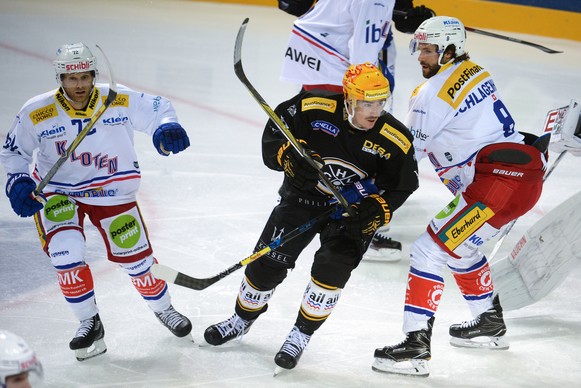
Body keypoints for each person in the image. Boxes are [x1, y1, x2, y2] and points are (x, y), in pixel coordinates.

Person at [203, 63, 419, 373]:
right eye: (366, 103)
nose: (374, 111)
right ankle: (240, 320)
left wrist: (378, 209)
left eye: (380, 102)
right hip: (301, 201)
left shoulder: (393, 137)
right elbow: (275, 135)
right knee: (266, 265)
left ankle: (300, 335)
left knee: (330, 273)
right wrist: (288, 157)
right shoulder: (312, 108)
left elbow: (403, 185)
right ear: (348, 99)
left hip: (349, 216)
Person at [371, 16, 548, 377]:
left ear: (449, 50)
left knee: (428, 249)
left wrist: (367, 185)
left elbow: (407, 155)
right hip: (523, 180)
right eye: (419, 47)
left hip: (495, 187)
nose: (420, 55)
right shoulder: (475, 70)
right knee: (462, 248)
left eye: (428, 49)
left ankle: (414, 346)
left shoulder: (429, 95)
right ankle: (488, 322)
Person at [0, 43, 192, 361]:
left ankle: (164, 309)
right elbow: (12, 152)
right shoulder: (38, 111)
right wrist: (18, 181)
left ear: (93, 74)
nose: (79, 85)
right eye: (71, 78)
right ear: (60, 77)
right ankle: (89, 322)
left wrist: (166, 127)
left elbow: (159, 108)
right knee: (66, 255)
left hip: (112, 192)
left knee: (137, 261)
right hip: (60, 193)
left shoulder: (118, 99)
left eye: (85, 77)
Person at [278, 0, 435, 262]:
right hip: (332, 63)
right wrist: (366, 93)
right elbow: (362, 54)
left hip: (320, 56)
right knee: (352, 143)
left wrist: (407, 14)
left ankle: (299, 208)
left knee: (321, 142)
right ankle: (349, 226)